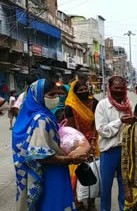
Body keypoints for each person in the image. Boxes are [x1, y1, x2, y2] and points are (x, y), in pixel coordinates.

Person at [12, 79, 84, 211]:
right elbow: (42, 155)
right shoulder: (42, 120)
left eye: (57, 94)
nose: (56, 98)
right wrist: (70, 159)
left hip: (41, 174)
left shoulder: (29, 117)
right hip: (50, 174)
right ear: (38, 96)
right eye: (51, 95)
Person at [95, 76, 134, 211]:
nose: (119, 90)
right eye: (116, 88)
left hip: (125, 151)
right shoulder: (102, 105)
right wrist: (120, 122)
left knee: (125, 186)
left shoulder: (128, 105)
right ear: (109, 88)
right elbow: (102, 130)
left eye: (122, 88)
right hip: (109, 151)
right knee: (106, 187)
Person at [65, 80, 99, 210]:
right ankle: (77, 201)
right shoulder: (70, 106)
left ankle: (91, 200)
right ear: (74, 93)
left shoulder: (94, 102)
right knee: (76, 172)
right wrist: (79, 144)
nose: (84, 92)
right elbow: (71, 127)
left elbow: (96, 122)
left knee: (92, 170)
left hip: (93, 140)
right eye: (80, 90)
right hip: (77, 141)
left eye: (85, 89)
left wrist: (93, 139)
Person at [121, 100, 137, 211]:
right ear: (135, 115)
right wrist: (126, 187)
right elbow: (125, 158)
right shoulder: (129, 130)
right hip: (134, 182)